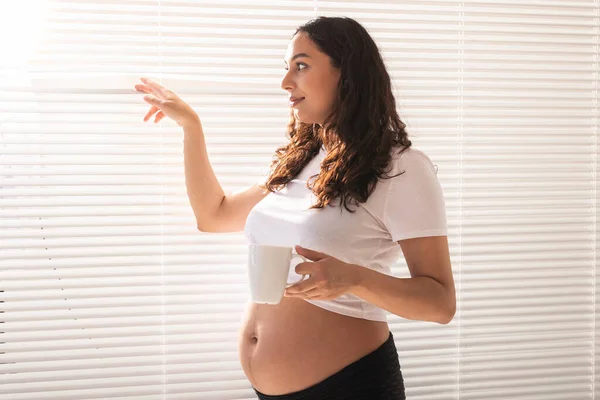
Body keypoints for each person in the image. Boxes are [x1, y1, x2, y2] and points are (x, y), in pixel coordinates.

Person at [135, 16, 455, 400]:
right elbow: (214, 215)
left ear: (347, 74)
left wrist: (355, 278)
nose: (286, 82)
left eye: (301, 66)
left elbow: (440, 303)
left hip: (351, 386)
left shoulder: (401, 167)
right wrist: (191, 127)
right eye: (286, 68)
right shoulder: (302, 160)